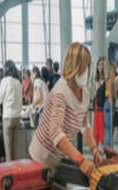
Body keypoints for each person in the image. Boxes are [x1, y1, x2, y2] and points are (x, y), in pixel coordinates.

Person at [28, 42, 101, 179]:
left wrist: (94, 149)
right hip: (39, 159)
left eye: (87, 66)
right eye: (82, 66)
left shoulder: (84, 93)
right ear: (73, 66)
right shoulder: (61, 91)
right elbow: (55, 131)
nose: (85, 71)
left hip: (57, 159)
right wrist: (81, 160)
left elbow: (85, 125)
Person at [0, 60, 22, 162]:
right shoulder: (18, 82)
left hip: (7, 117)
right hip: (17, 117)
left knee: (8, 154)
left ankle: (10, 176)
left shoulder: (5, 81)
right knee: (14, 152)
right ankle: (16, 174)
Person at [91, 57, 107, 146]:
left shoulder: (104, 79)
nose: (101, 67)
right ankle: (96, 140)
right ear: (97, 66)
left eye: (102, 65)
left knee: (102, 122)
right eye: (99, 65)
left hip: (103, 103)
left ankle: (102, 140)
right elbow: (94, 91)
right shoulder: (95, 79)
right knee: (96, 122)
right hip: (97, 102)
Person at [104, 61, 118, 149]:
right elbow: (109, 95)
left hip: (110, 103)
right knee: (109, 128)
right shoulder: (109, 81)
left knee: (110, 128)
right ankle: (107, 147)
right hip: (109, 104)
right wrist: (111, 105)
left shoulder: (111, 81)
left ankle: (109, 146)